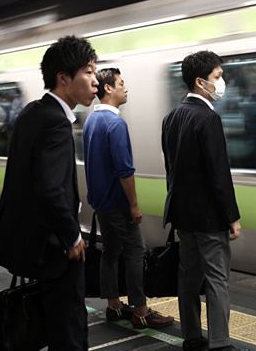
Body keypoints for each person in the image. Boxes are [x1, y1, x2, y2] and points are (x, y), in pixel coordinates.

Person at [0, 36, 98, 350]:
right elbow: (50, 190)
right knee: (70, 332)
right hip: (55, 249)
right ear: (63, 78)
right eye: (88, 72)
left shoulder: (32, 112)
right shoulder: (56, 123)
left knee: (53, 327)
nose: (95, 81)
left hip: (31, 245)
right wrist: (73, 237)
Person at [161, 51, 244, 351]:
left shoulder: (171, 118)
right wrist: (231, 217)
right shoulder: (208, 118)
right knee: (217, 279)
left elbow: (172, 170)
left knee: (188, 278)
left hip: (183, 216)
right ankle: (220, 344)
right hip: (209, 218)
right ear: (200, 82)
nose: (222, 83)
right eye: (218, 77)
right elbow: (218, 174)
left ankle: (192, 338)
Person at [83, 68, 174, 328]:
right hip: (118, 202)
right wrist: (134, 206)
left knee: (110, 252)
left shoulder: (91, 120)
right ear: (108, 88)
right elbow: (124, 170)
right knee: (135, 251)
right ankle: (141, 311)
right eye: (122, 83)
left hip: (100, 202)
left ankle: (113, 305)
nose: (126, 88)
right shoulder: (115, 123)